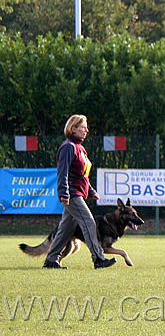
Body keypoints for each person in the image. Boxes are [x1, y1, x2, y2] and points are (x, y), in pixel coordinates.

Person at [43, 115, 116, 269]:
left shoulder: (80, 148)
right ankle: (98, 258)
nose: (86, 130)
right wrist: (64, 193)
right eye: (83, 127)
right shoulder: (68, 146)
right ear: (73, 128)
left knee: (65, 230)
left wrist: (91, 191)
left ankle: (51, 260)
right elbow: (63, 172)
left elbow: (83, 174)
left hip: (79, 192)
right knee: (89, 222)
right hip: (72, 193)